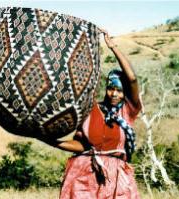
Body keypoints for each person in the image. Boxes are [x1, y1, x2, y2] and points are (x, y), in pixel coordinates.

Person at [49, 30, 142, 199]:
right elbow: (81, 145)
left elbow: (133, 79)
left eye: (120, 91)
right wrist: (52, 142)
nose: (114, 94)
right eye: (111, 89)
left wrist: (113, 47)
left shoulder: (127, 111)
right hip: (84, 177)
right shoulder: (91, 110)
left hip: (116, 178)